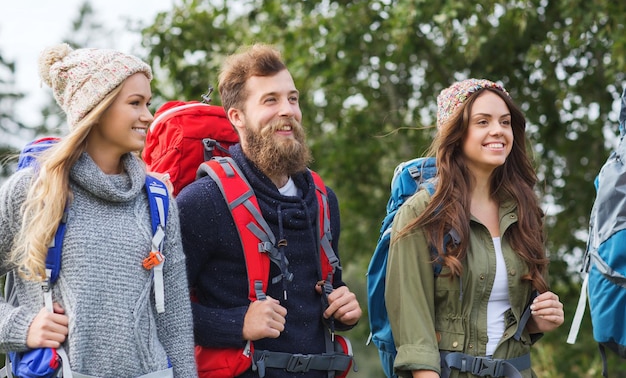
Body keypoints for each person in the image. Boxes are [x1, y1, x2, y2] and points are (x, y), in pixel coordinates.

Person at [0, 43, 197, 377]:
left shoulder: (158, 201)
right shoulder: (32, 191)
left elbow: (174, 322)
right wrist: (20, 327)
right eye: (135, 103)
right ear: (97, 107)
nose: (148, 116)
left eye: (147, 103)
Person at [177, 43, 362, 377]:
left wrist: (341, 308)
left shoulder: (322, 199)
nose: (287, 110)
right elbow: (159, 309)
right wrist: (236, 323)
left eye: (292, 98)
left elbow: (324, 289)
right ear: (237, 117)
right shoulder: (202, 202)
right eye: (270, 100)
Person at [385, 79, 564, 378]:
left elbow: (513, 321)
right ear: (455, 134)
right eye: (483, 121)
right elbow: (415, 337)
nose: (498, 130)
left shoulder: (525, 212)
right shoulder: (421, 214)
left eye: (505, 122)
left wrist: (538, 320)